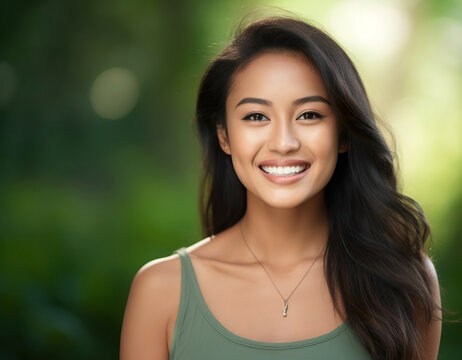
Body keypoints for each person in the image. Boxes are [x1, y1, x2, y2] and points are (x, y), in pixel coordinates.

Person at [120, 15, 441, 360]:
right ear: (224, 136)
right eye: (256, 116)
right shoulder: (160, 291)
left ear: (343, 134)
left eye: (309, 115)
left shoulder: (402, 278)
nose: (283, 143)